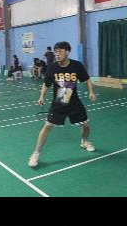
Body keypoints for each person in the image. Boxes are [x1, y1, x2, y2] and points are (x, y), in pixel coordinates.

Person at [29, 41, 98, 169]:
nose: (57, 54)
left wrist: (91, 92)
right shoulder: (52, 68)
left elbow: (87, 79)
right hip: (59, 102)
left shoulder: (76, 65)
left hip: (74, 102)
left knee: (86, 125)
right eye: (56, 51)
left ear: (67, 52)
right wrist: (41, 96)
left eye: (60, 51)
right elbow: (46, 84)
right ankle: (36, 153)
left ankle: (84, 141)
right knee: (47, 126)